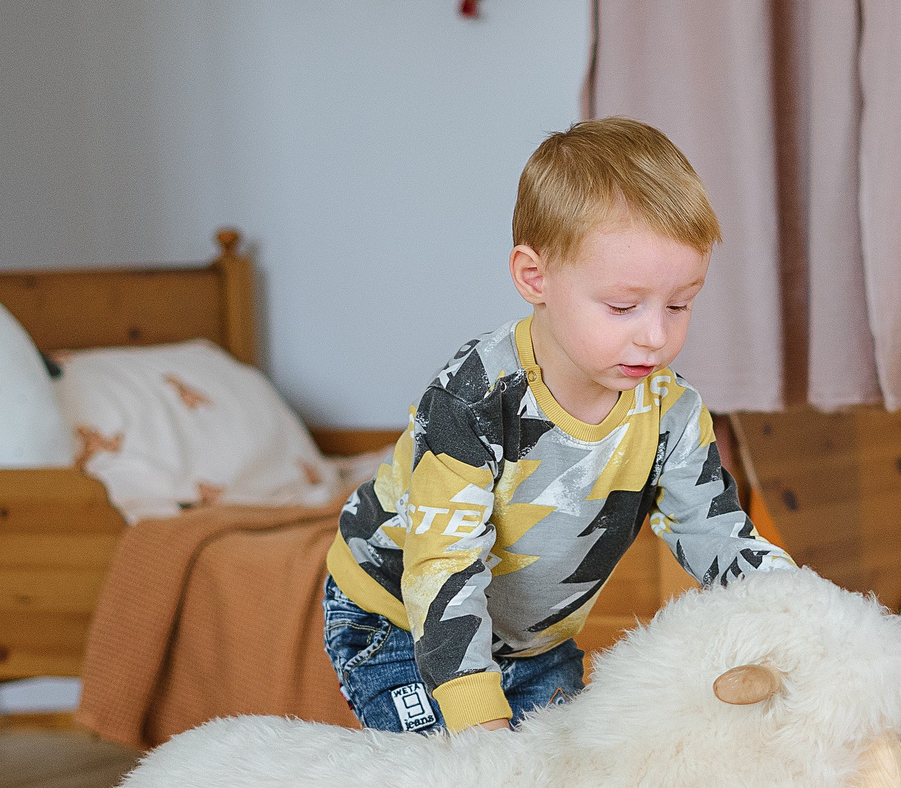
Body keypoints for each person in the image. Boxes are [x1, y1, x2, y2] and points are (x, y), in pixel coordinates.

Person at [322, 117, 795, 734]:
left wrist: (801, 611)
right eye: (624, 307)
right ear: (534, 277)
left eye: (679, 306)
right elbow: (443, 564)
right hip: (402, 622)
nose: (656, 336)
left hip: (533, 642)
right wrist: (476, 722)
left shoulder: (670, 412)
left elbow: (714, 530)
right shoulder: (474, 398)